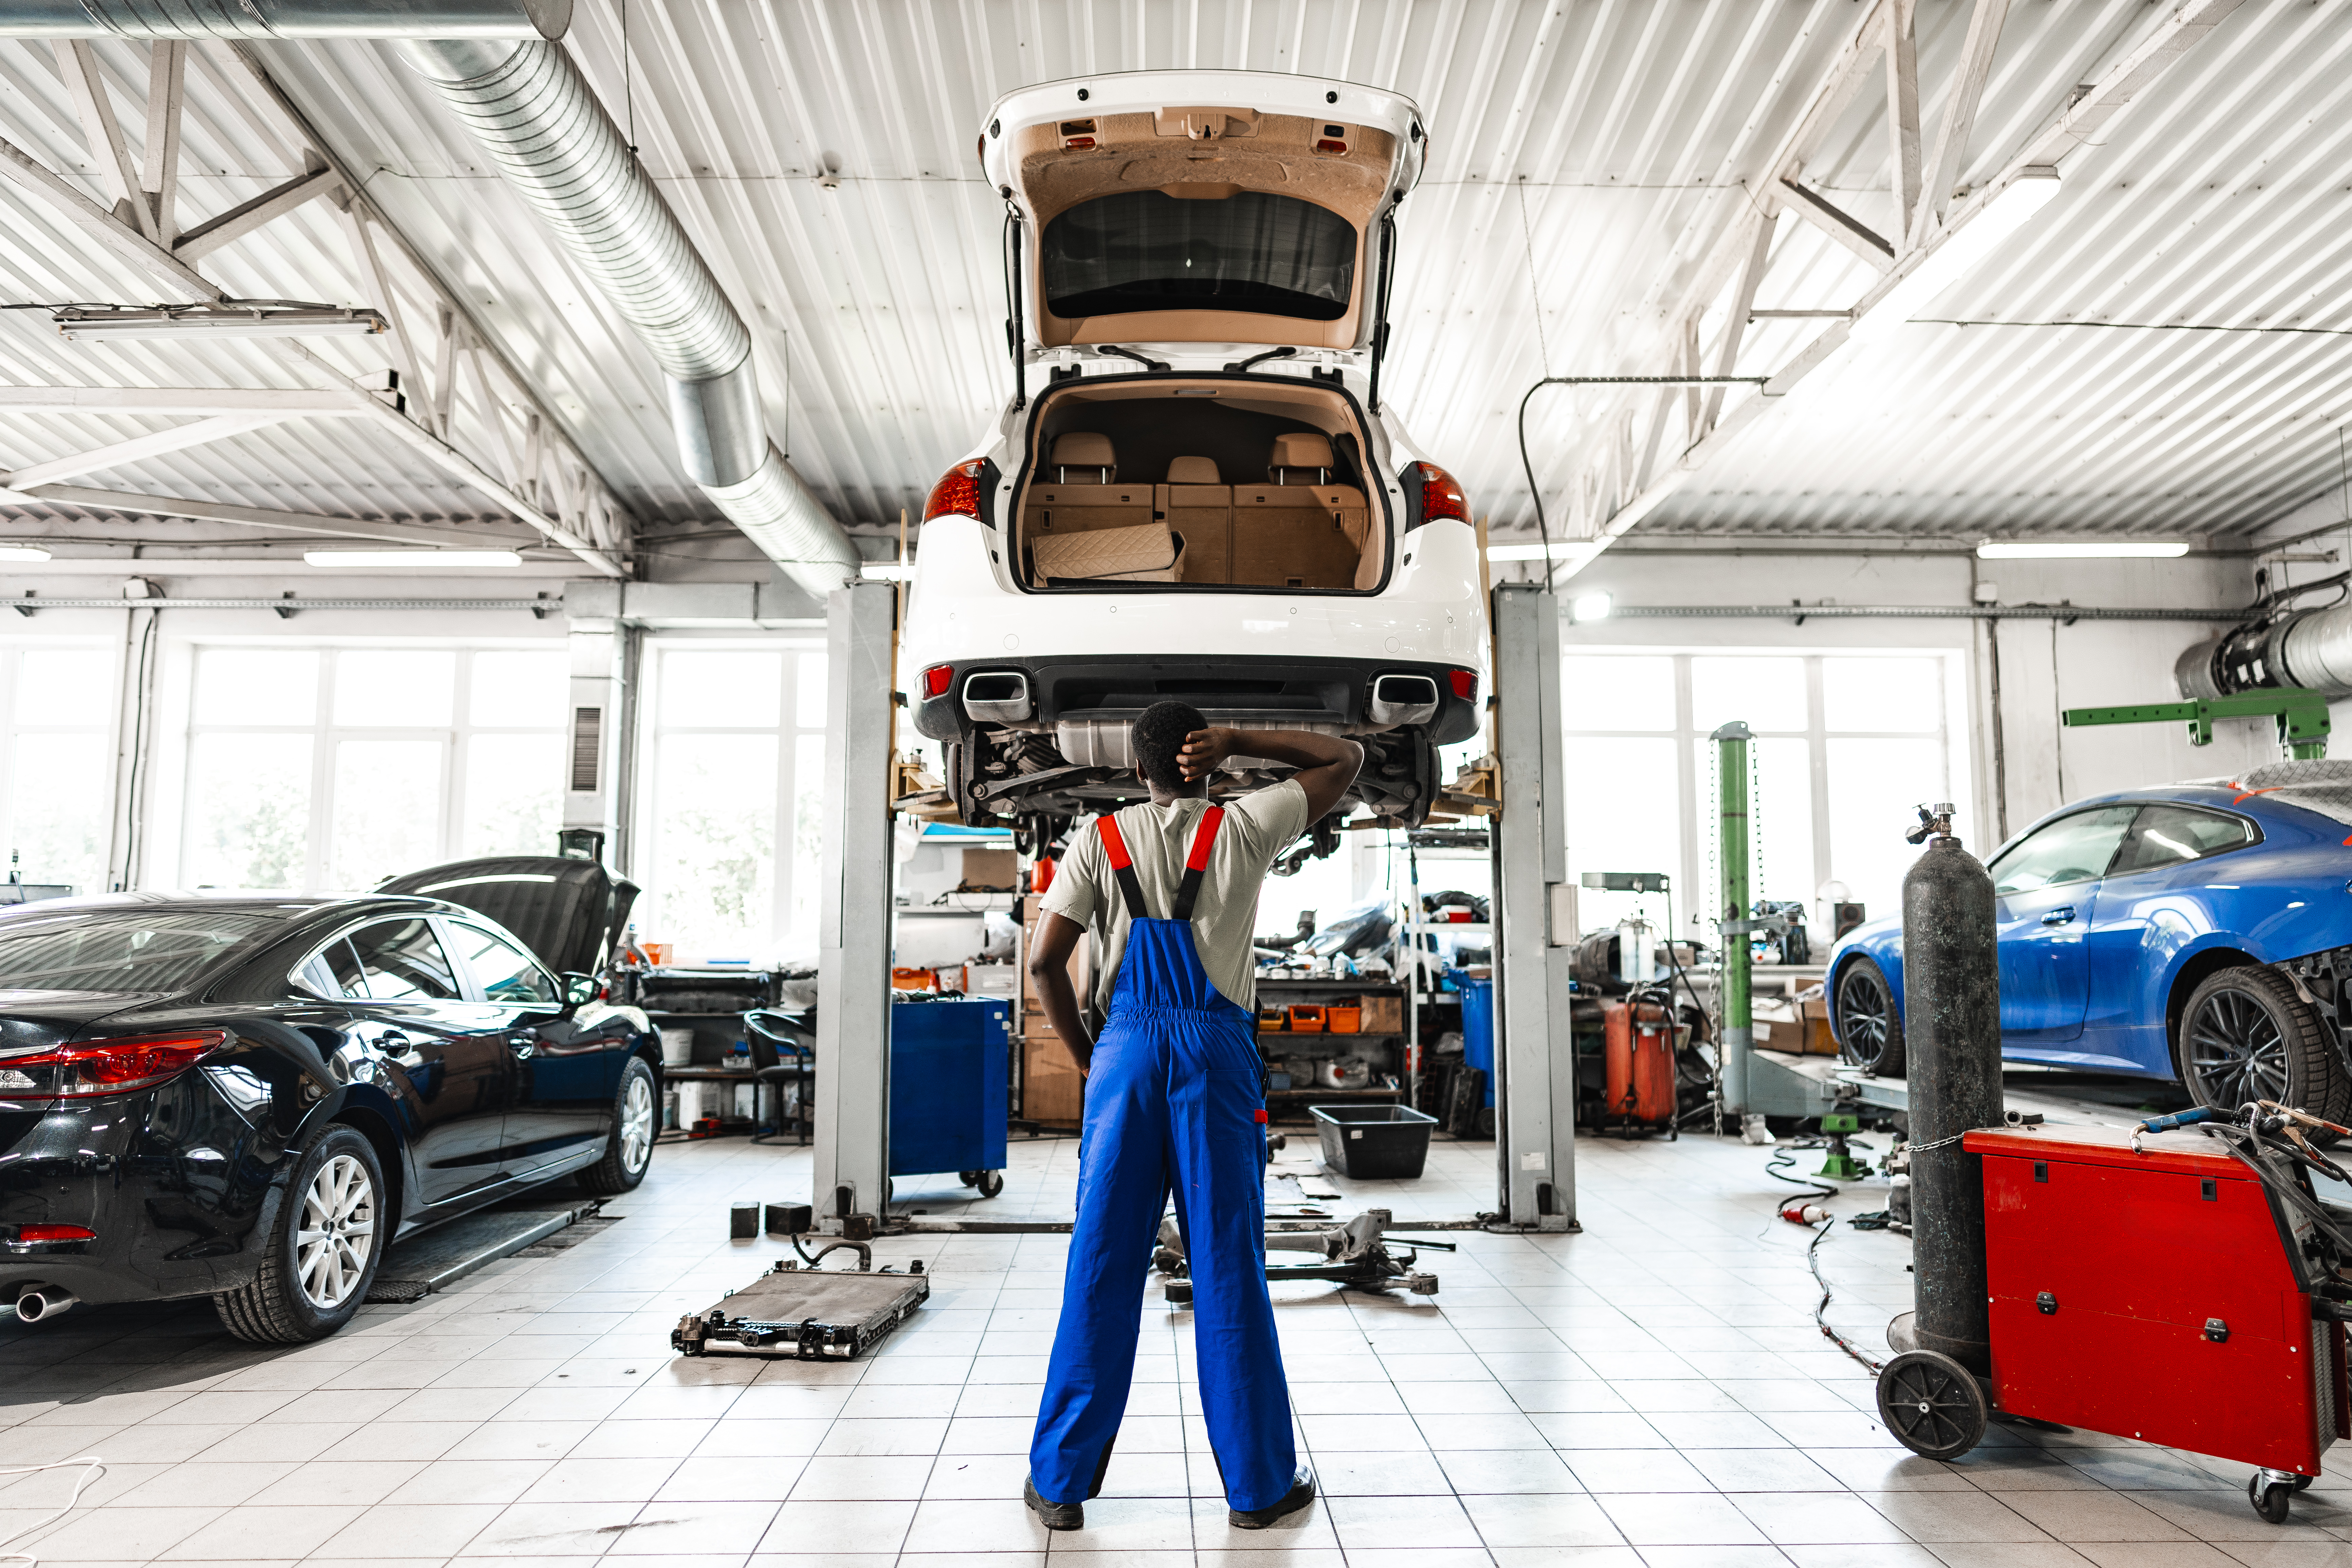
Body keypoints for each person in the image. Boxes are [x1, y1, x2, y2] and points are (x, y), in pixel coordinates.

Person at [1022, 700, 1362, 1533]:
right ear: (1203, 762)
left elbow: (1044, 964)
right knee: (1224, 1261)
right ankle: (1256, 1488)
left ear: (1135, 768)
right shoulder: (1245, 825)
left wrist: (1089, 1054)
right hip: (1215, 1055)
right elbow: (1342, 757)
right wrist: (1244, 741)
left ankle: (1061, 1483)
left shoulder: (1096, 840)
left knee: (1102, 1257)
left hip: (1125, 1056)